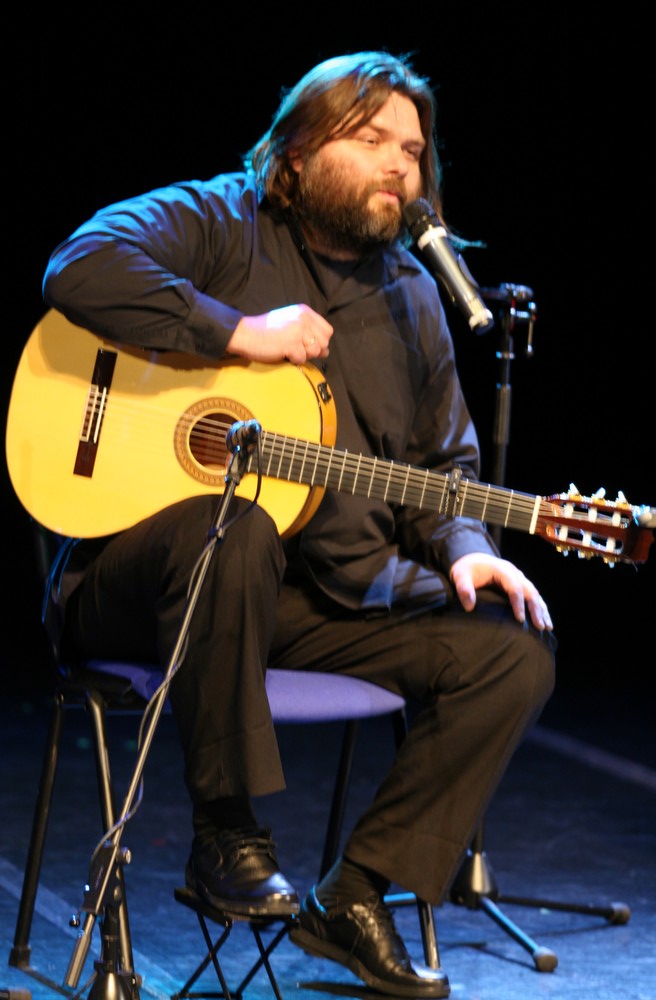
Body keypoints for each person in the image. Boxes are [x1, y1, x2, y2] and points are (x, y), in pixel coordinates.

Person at [41, 51, 556, 999]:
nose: (399, 164)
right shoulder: (220, 220)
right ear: (300, 148)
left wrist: (468, 545)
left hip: (312, 602)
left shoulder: (415, 299)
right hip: (139, 587)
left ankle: (354, 896)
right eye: (372, 140)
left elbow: (444, 469)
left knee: (511, 648)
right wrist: (238, 333)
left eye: (413, 150)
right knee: (234, 525)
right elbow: (79, 264)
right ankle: (225, 833)